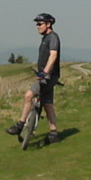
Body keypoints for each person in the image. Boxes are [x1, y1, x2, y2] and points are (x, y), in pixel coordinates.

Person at [7, 13, 61, 142]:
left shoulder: (53, 38)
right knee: (47, 105)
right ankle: (54, 134)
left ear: (48, 24)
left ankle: (20, 125)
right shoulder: (46, 38)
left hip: (47, 77)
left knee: (28, 96)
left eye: (40, 24)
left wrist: (44, 73)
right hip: (50, 77)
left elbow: (53, 56)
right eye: (36, 24)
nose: (37, 26)